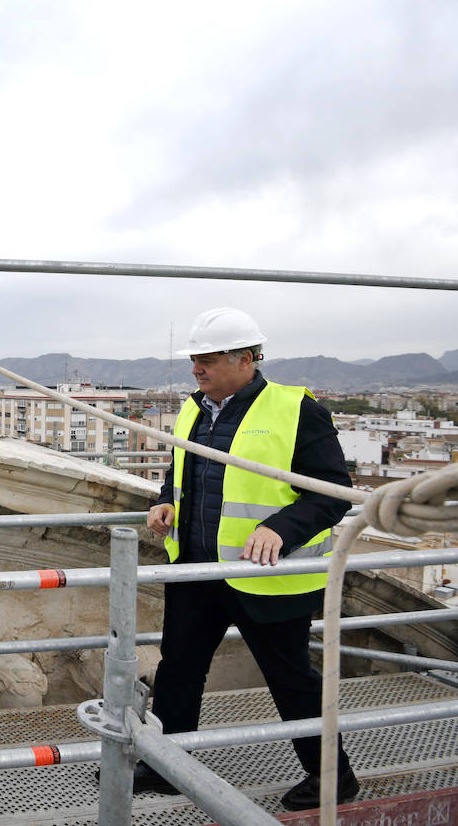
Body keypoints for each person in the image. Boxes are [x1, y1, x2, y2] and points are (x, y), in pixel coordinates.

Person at [142, 307, 357, 810]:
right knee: (179, 671)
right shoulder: (193, 408)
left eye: (207, 360)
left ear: (246, 359)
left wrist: (278, 528)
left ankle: (333, 778)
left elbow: (334, 494)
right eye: (194, 360)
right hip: (198, 568)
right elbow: (181, 474)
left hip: (266, 577)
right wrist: (164, 503)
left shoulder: (297, 410)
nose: (196, 369)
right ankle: (169, 769)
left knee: (290, 679)